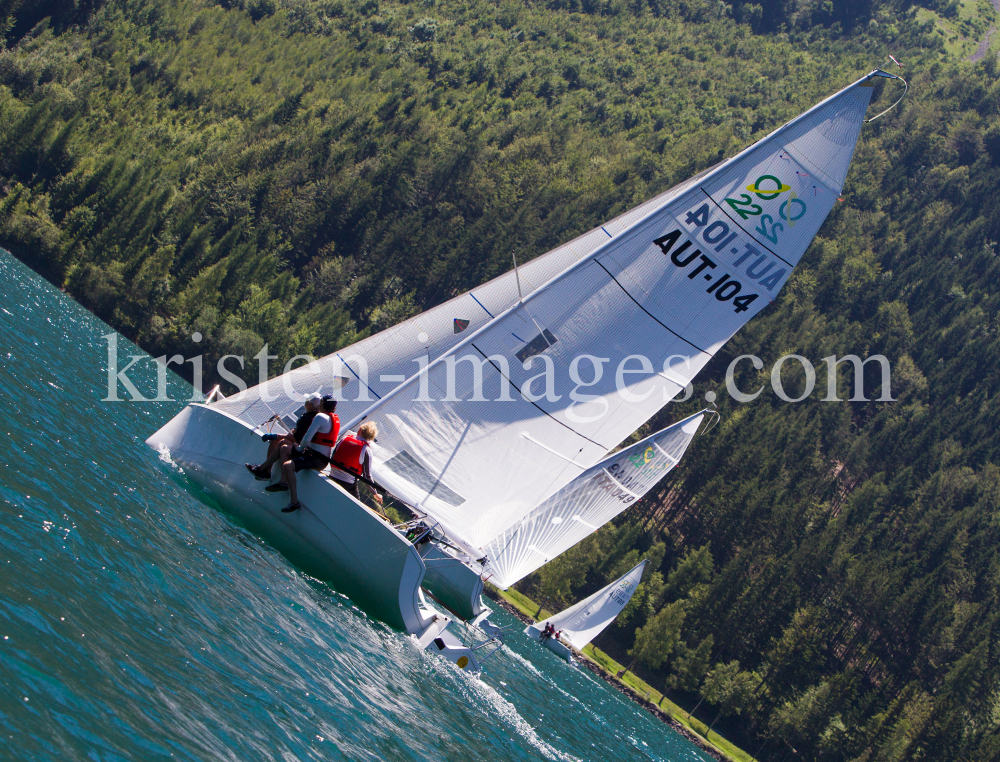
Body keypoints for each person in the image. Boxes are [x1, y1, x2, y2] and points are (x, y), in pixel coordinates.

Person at [264, 395, 341, 513]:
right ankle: (282, 481)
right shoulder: (333, 419)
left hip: (316, 458)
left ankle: (294, 502)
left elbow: (306, 439)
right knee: (284, 448)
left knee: (288, 465)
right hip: (317, 456)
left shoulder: (320, 417)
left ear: (322, 404)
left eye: (320, 402)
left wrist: (299, 449)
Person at [246, 392, 321, 481]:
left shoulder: (310, 418)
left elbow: (298, 438)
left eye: (307, 401)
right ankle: (267, 471)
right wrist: (277, 437)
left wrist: (276, 435)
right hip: (300, 445)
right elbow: (296, 432)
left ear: (309, 405)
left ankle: (261, 468)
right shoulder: (310, 416)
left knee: (282, 442)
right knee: (275, 441)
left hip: (304, 450)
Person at [328, 421, 382, 507]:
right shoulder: (366, 450)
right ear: (371, 437)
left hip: (331, 476)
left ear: (360, 430)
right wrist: (375, 494)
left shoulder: (344, 439)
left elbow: (333, 456)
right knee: (356, 508)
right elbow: (367, 476)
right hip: (348, 485)